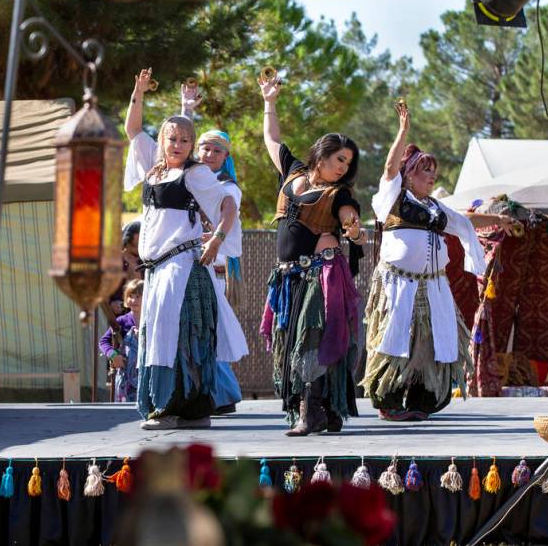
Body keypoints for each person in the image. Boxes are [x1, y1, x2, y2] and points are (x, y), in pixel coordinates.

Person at [362, 101, 519, 421]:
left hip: (433, 286)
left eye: (434, 172)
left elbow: (463, 221)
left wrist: (497, 221)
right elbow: (389, 169)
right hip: (399, 283)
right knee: (396, 339)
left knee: (431, 342)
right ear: (409, 174)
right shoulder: (394, 197)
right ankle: (388, 401)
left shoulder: (434, 207)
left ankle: (422, 397)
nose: (432, 176)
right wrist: (402, 133)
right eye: (425, 171)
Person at [124, 68, 248, 430]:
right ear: (162, 140)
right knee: (160, 337)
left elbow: (228, 206)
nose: (176, 145)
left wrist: (217, 239)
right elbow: (133, 130)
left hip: (183, 267)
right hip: (158, 269)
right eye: (171, 138)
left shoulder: (195, 174)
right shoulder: (152, 167)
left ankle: (178, 409)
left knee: (180, 338)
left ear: (191, 146)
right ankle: (175, 408)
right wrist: (138, 91)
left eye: (183, 141)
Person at [258, 70, 367, 436]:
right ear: (321, 155)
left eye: (348, 163)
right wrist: (268, 103)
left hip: (319, 275)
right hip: (288, 276)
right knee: (292, 340)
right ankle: (322, 410)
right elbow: (272, 140)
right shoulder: (294, 172)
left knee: (311, 339)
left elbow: (351, 221)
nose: (344, 167)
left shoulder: (341, 196)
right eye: (340, 159)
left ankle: (312, 413)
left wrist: (353, 230)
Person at [196, 129, 244, 414]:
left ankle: (223, 394)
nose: (209, 155)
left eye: (217, 151)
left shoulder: (228, 187)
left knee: (209, 329)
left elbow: (224, 220)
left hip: (212, 266)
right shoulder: (191, 178)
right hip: (194, 262)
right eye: (205, 149)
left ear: (226, 157)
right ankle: (218, 394)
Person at [98, 279, 144, 402]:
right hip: (126, 378)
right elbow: (103, 342)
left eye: (138, 297)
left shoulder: (153, 321)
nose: (133, 300)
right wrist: (113, 355)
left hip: (147, 374)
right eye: (130, 296)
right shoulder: (122, 321)